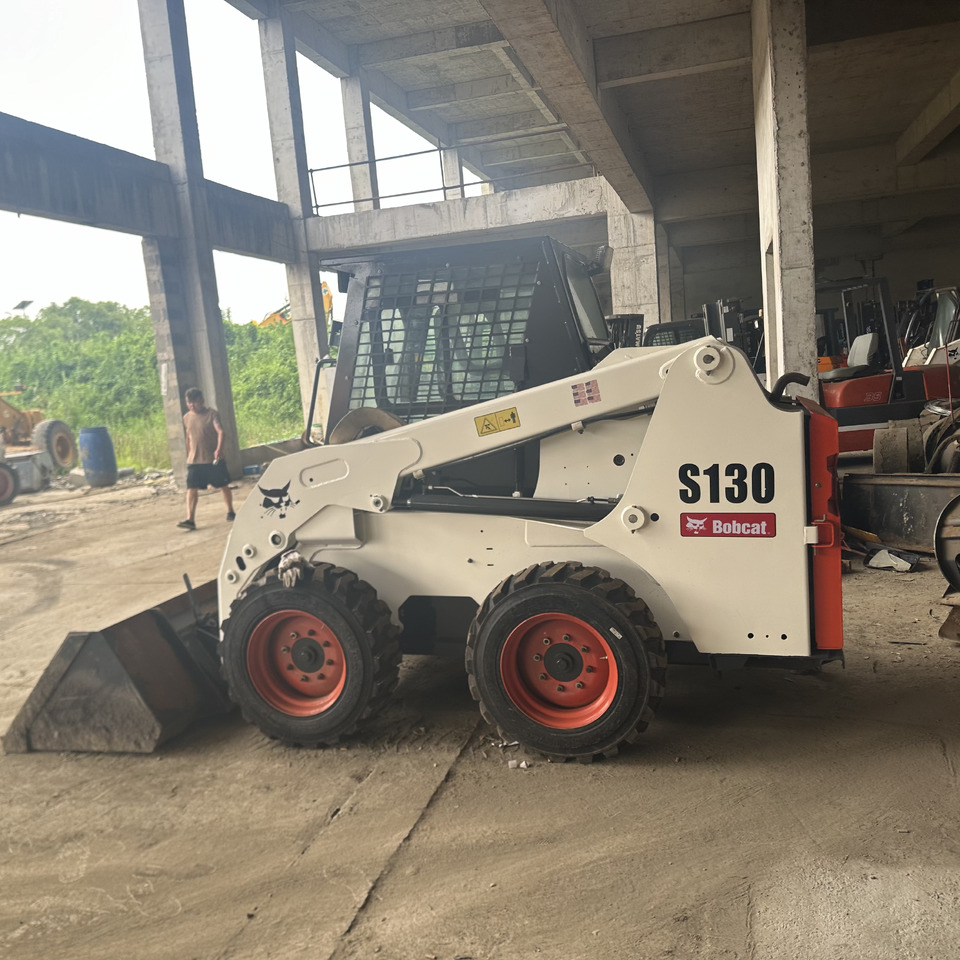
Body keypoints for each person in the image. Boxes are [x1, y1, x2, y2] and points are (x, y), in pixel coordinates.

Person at [177, 387, 235, 530]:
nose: (191, 405)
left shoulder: (212, 414)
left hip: (213, 459)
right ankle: (190, 519)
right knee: (191, 489)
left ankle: (230, 511)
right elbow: (188, 437)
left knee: (223, 485)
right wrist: (188, 453)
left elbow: (221, 432)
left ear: (201, 400)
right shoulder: (186, 417)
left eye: (194, 402)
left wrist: (219, 449)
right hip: (194, 461)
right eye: (189, 403)